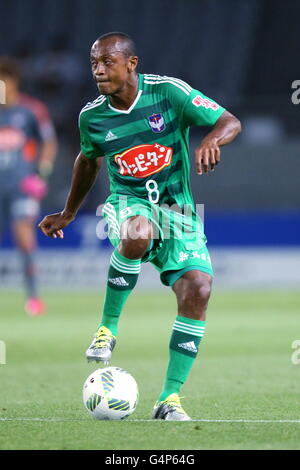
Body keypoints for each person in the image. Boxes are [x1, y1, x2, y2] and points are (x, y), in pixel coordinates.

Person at [39, 32, 241, 420]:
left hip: (179, 211)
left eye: (107, 62)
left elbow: (230, 121)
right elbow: (87, 161)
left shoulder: (168, 93)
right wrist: (68, 211)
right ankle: (107, 329)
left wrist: (212, 139)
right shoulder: (92, 116)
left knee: (198, 288)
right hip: (127, 203)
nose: (98, 70)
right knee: (138, 231)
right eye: (94, 63)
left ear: (131, 64)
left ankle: (169, 399)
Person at [0, 58, 57, 316]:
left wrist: (41, 175)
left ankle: (33, 296)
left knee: (24, 233)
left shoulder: (31, 110)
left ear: (14, 83)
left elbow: (49, 143)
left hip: (22, 186)